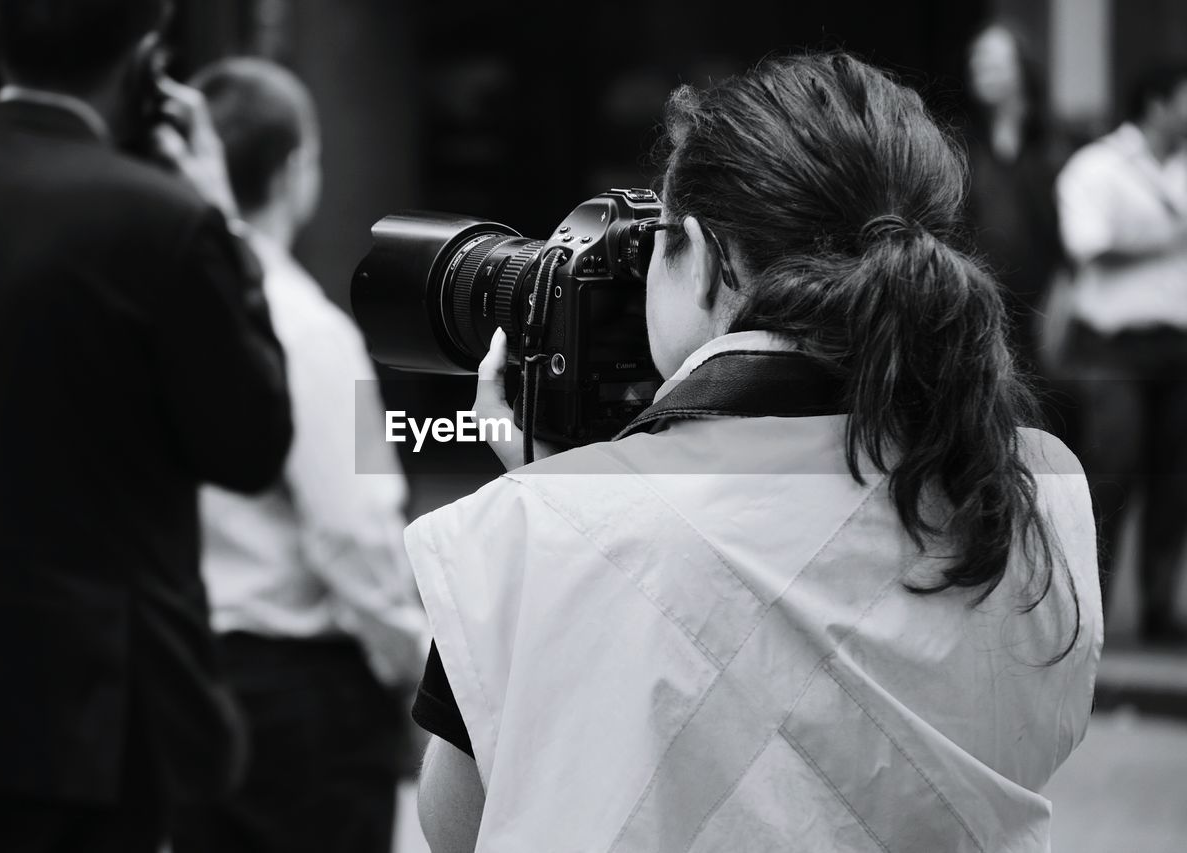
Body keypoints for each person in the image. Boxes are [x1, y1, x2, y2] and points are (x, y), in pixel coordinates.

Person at [406, 53, 1101, 852]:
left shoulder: (553, 526)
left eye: (652, 242)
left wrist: (555, 502)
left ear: (700, 256)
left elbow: (456, 823)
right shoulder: (1033, 485)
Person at [0, 2, 293, 851]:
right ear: (147, 65)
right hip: (99, 706)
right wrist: (225, 215)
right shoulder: (164, 221)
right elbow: (251, 442)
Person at [169, 58, 427, 853]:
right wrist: (416, 664)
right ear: (293, 170)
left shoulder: (158, 305)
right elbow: (352, 529)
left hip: (185, 677)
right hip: (299, 701)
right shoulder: (308, 329)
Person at [1055, 62, 1187, 645]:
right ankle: (1091, 613)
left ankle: (1160, 611)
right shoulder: (1098, 166)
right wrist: (1165, 240)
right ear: (1159, 103)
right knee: (1112, 473)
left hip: (1180, 345)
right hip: (1112, 348)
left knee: (1175, 483)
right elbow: (1090, 247)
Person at [963, 22, 1067, 379]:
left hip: (1045, 304)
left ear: (1021, 67)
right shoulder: (965, 142)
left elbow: (1067, 236)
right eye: (976, 59)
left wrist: (1064, 295)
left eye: (991, 59)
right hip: (981, 302)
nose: (979, 67)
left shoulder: (1054, 147)